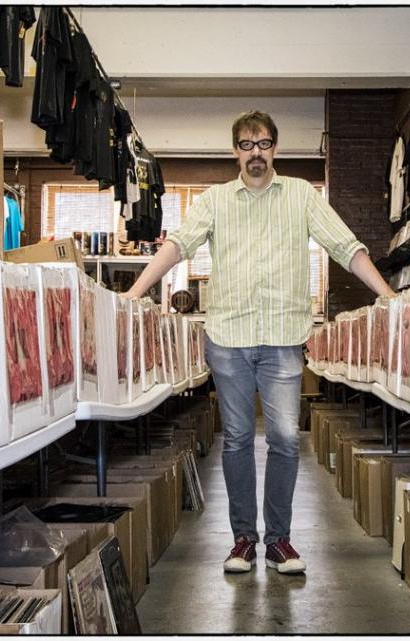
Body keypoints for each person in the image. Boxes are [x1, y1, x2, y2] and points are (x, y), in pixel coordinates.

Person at [122, 110, 395, 574]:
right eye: (246, 145)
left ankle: (280, 541)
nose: (255, 153)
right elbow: (178, 246)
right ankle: (244, 540)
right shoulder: (213, 200)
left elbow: (345, 246)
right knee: (238, 441)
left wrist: (388, 294)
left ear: (275, 148)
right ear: (235, 151)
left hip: (284, 340)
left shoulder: (302, 196)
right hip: (228, 339)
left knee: (286, 441)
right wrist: (133, 291)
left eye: (263, 144)